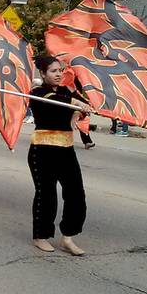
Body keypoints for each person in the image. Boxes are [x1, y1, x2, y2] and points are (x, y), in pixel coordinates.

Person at [28, 56, 94, 256]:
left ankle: (68, 237)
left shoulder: (66, 91)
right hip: (42, 150)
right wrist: (75, 103)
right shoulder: (37, 93)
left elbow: (83, 104)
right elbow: (55, 101)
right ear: (43, 73)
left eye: (60, 71)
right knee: (46, 195)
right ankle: (41, 236)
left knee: (76, 194)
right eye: (53, 71)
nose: (58, 74)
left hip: (66, 150)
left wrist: (81, 111)